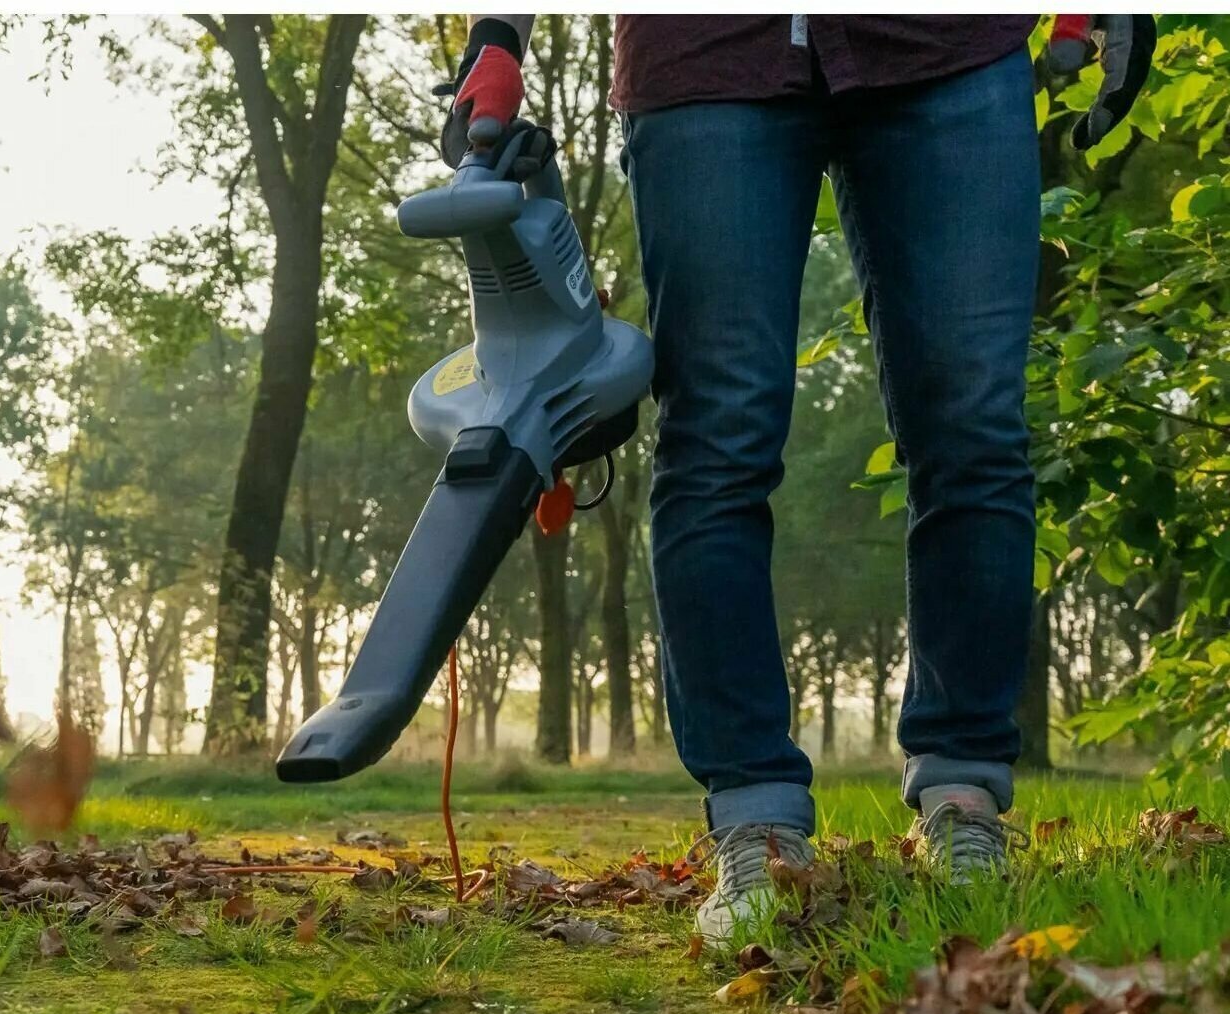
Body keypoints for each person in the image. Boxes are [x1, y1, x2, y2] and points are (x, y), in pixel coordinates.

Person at [440, 16, 1155, 942]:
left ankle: (965, 796)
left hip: (947, 50)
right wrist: (497, 36)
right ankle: (756, 822)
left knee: (973, 429)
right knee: (718, 439)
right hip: (706, 57)